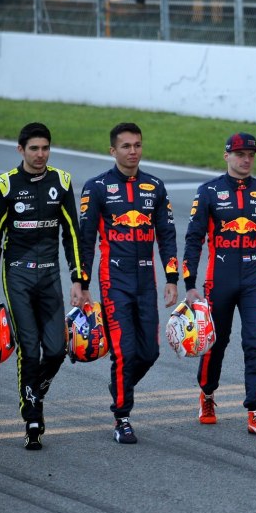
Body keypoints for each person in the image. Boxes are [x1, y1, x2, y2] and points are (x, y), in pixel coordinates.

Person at [0, 122, 84, 450]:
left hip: (50, 276)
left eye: (45, 148)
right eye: (34, 148)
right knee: (30, 348)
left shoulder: (62, 181)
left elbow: (72, 234)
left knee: (56, 349)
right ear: (20, 150)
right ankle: (33, 417)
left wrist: (78, 280)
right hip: (18, 276)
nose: (40, 154)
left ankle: (34, 391)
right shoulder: (5, 185)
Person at [78, 122, 178, 444]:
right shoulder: (96, 187)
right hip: (114, 279)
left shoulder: (155, 186)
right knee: (124, 350)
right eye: (126, 146)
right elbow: (85, 240)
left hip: (146, 280)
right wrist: (81, 282)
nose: (133, 151)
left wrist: (172, 278)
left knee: (149, 353)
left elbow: (167, 235)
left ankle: (120, 386)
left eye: (137, 145)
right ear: (113, 151)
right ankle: (122, 417)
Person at [183, 132, 256, 436]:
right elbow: (193, 239)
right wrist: (189, 283)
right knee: (216, 342)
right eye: (240, 154)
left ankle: (255, 411)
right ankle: (207, 394)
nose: (246, 160)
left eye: (251, 155)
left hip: (255, 280)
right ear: (226, 156)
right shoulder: (208, 191)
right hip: (220, 279)